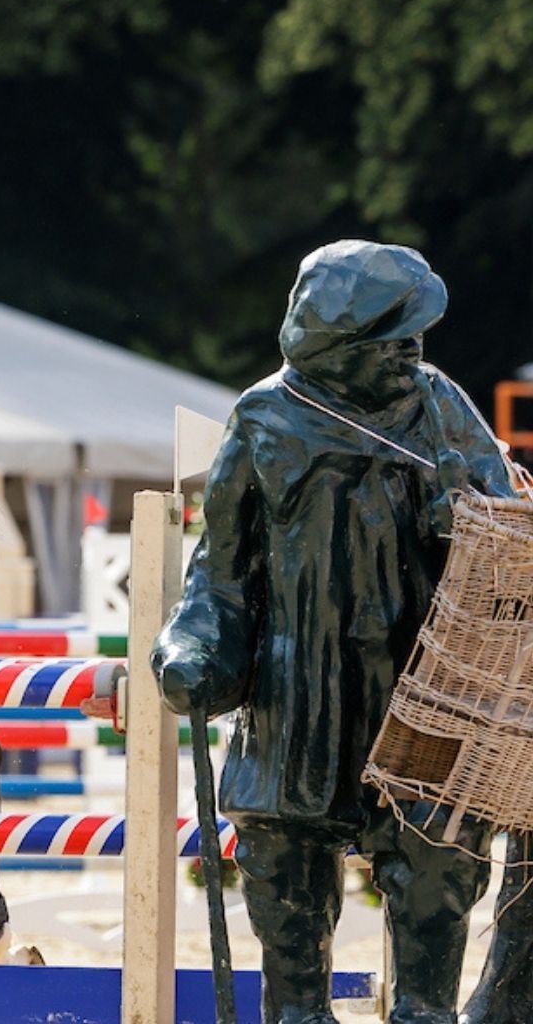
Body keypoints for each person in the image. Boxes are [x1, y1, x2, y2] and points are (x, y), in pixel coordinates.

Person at [151, 240, 515, 1023]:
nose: (411, 350)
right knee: (285, 874)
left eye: (416, 333)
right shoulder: (264, 417)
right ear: (336, 342)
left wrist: (469, 520)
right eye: (393, 334)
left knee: (435, 871)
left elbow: (510, 528)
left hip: (424, 691)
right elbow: (220, 572)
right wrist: (194, 648)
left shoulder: (439, 404)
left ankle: (424, 1012)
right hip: (301, 691)